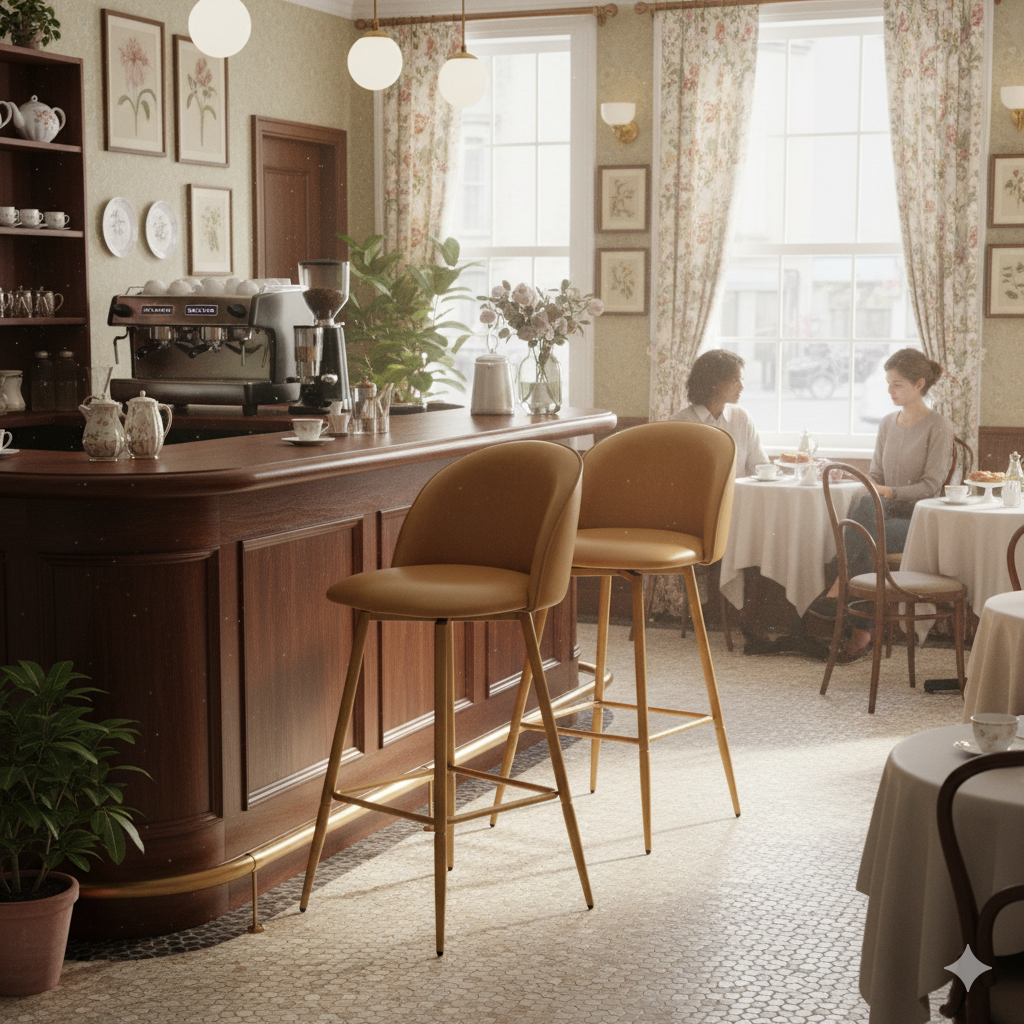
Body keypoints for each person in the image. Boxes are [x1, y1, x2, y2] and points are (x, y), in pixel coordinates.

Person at [823, 348, 954, 662]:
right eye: (888, 383)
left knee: (868, 518)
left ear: (919, 383)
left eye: (897, 384)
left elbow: (931, 486)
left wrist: (888, 492)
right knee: (868, 516)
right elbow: (875, 474)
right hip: (882, 514)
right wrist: (859, 478)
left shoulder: (939, 426)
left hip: (918, 521)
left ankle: (844, 590)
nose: (889, 391)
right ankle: (861, 629)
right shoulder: (886, 423)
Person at [671, 349, 768, 477]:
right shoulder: (679, 423)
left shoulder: (742, 418)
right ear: (714, 383)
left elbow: (759, 467)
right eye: (735, 380)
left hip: (739, 496)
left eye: (741, 380)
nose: (742, 387)